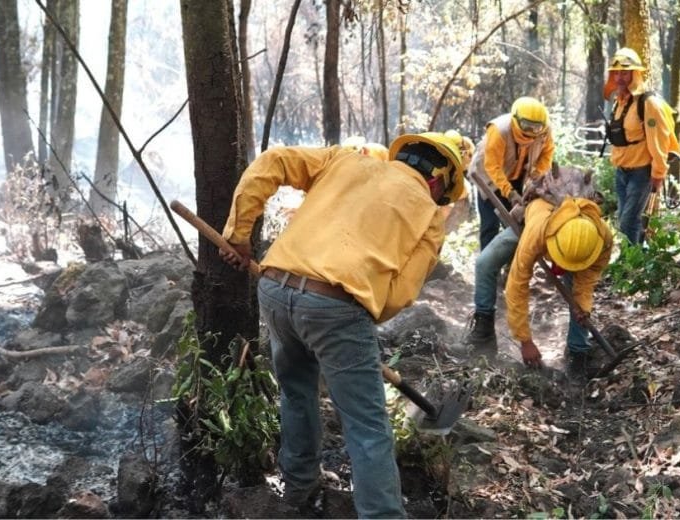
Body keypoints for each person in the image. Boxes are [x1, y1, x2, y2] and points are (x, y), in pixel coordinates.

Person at [219, 132, 468, 518]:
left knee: (297, 391)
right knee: (367, 427)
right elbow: (399, 295)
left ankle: (298, 488)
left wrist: (238, 235)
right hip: (335, 307)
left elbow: (273, 161)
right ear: (438, 183)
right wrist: (355, 320)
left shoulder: (344, 159)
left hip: (274, 288)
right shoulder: (429, 216)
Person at [505, 195, 613, 375]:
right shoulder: (536, 234)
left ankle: (577, 353)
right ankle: (483, 329)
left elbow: (587, 281)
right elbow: (516, 285)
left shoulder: (603, 241)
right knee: (486, 263)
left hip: (571, 246)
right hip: (530, 222)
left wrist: (583, 307)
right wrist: (525, 341)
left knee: (579, 303)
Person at [604, 47, 678, 245]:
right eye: (617, 73)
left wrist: (658, 175)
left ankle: (630, 267)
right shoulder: (619, 102)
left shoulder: (649, 103)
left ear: (635, 74)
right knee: (627, 220)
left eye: (625, 73)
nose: (620, 78)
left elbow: (659, 142)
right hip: (622, 172)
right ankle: (637, 263)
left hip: (642, 174)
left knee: (628, 223)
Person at [468, 96, 555, 251]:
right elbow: (492, 166)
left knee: (517, 223)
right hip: (488, 178)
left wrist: (535, 176)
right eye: (527, 127)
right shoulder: (499, 130)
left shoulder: (545, 131)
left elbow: (547, 155)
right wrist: (509, 193)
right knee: (490, 224)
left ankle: (513, 265)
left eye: (536, 128)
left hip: (518, 177)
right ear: (516, 119)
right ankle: (488, 269)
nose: (531, 132)